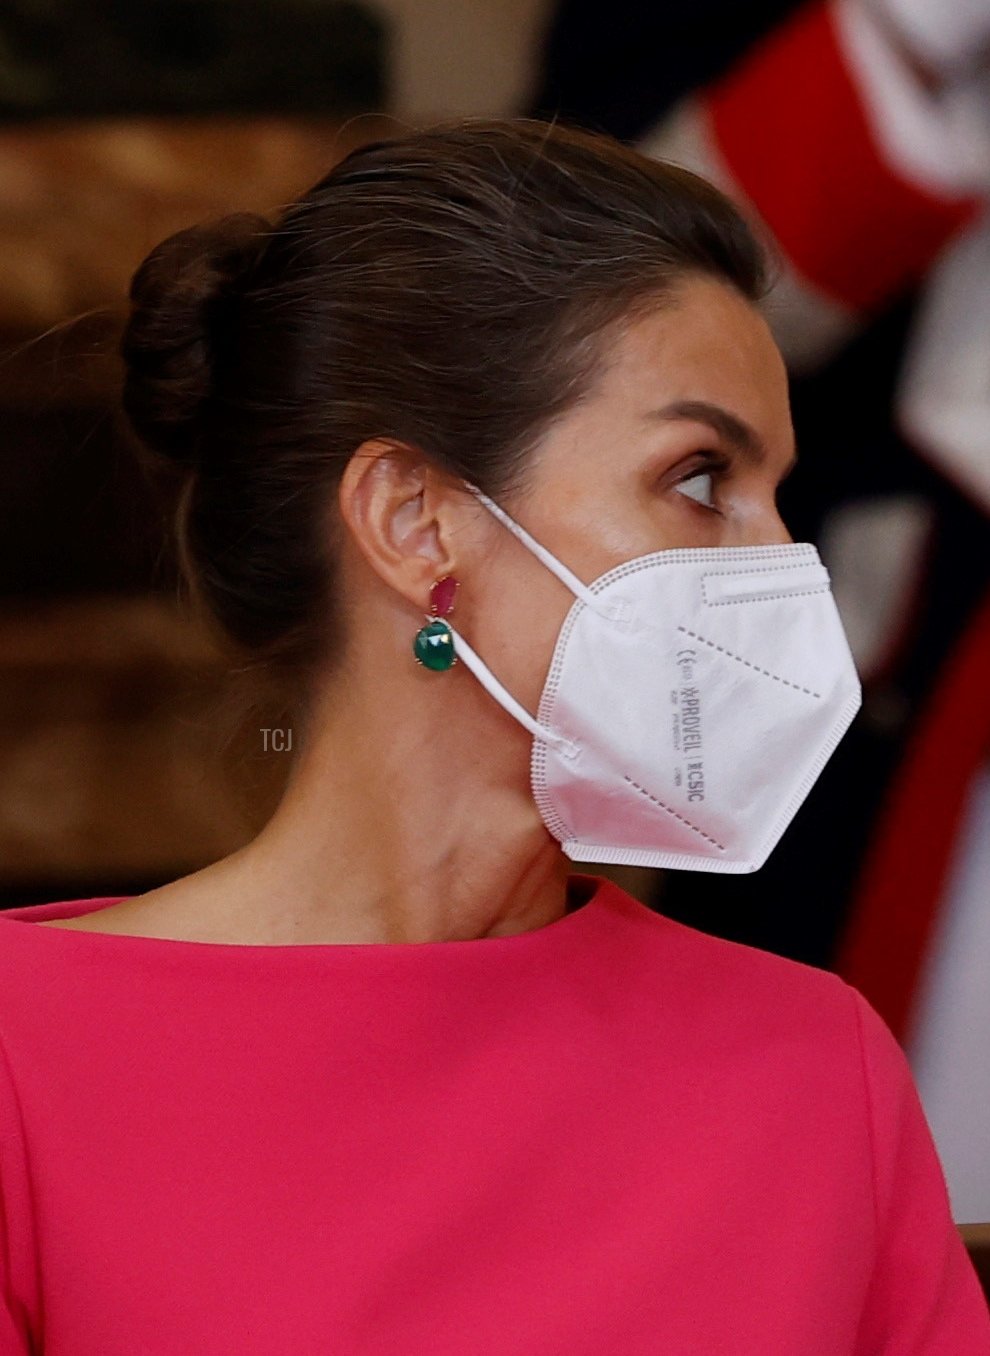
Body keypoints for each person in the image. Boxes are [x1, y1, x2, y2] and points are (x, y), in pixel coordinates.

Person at [0, 118, 985, 1352]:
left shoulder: (816, 1066)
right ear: (416, 523)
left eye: (777, 493)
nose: (784, 567)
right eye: (699, 479)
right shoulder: (23, 1061)